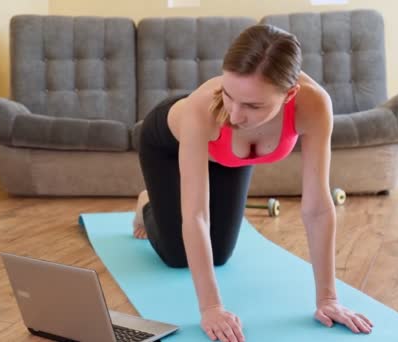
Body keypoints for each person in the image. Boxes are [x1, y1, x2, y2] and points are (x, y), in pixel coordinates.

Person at [132, 24, 373, 342]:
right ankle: (147, 201)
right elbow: (196, 216)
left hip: (231, 157)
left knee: (219, 255)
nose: (234, 114)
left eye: (253, 105)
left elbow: (316, 207)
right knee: (177, 257)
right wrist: (212, 308)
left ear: (290, 95)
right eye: (228, 95)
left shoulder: (314, 106)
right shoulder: (202, 108)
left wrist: (328, 299)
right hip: (169, 144)